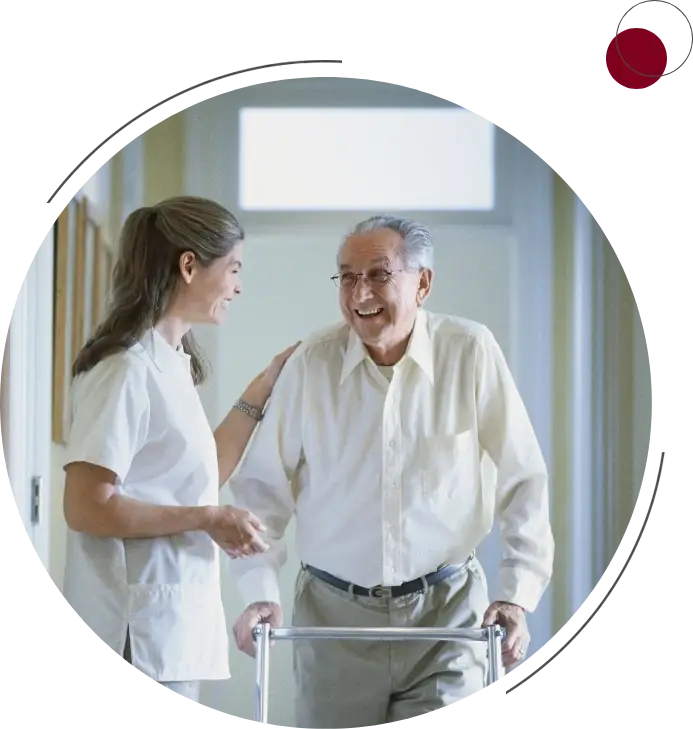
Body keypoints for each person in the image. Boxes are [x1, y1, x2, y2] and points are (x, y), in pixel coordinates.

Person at [227, 215, 555, 727]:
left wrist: (516, 594)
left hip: (446, 617)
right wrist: (259, 593)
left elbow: (524, 477)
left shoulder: (470, 351)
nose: (361, 292)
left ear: (422, 283)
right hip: (334, 620)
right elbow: (259, 493)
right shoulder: (311, 364)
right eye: (347, 276)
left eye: (379, 274)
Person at [61, 196, 298, 704]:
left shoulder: (172, 362)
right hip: (132, 630)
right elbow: (85, 506)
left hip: (166, 626)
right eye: (233, 268)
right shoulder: (124, 369)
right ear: (189, 265)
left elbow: (202, 470)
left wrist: (266, 382)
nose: (239, 285)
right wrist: (206, 518)